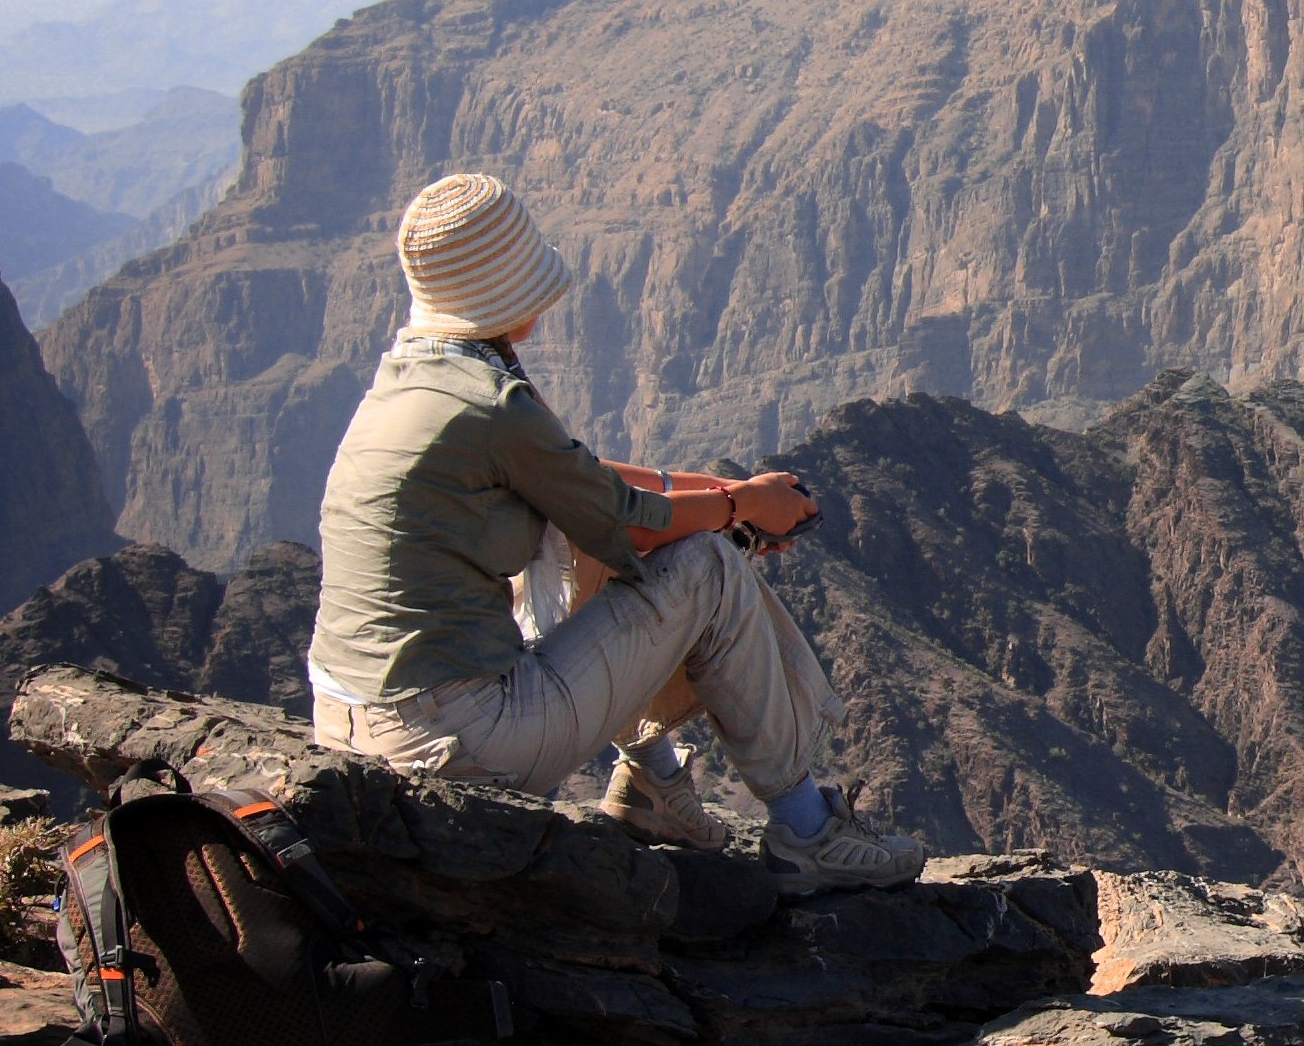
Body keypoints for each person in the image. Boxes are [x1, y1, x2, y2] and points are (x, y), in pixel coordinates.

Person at [304, 172, 926, 892]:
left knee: (595, 550)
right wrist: (734, 514)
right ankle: (807, 830)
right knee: (707, 569)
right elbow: (622, 520)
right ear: (513, 288)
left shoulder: (411, 379)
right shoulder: (490, 406)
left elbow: (587, 480)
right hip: (457, 744)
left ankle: (651, 785)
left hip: (355, 726)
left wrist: (739, 496)